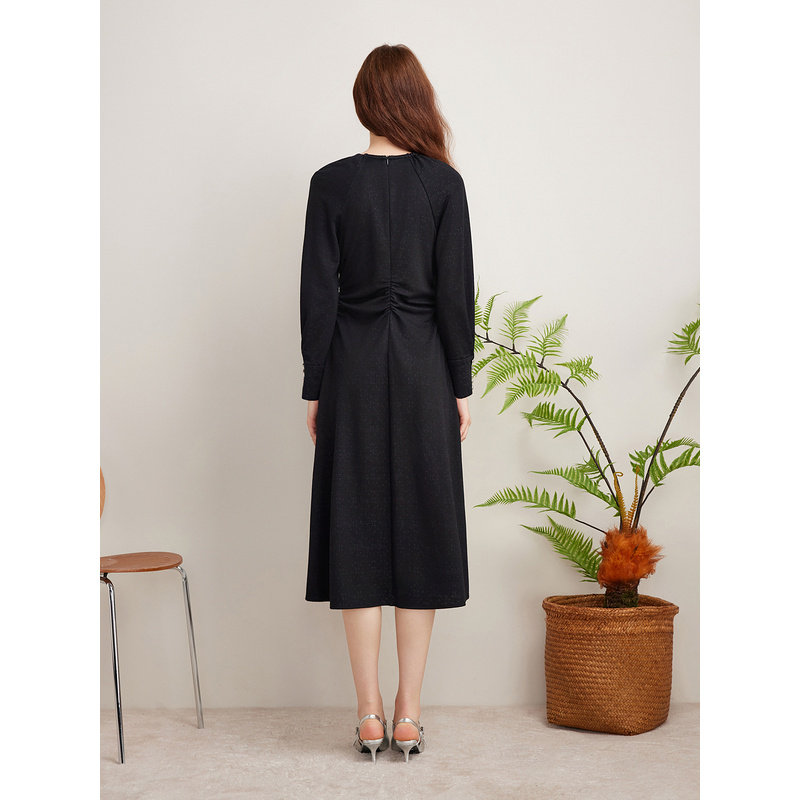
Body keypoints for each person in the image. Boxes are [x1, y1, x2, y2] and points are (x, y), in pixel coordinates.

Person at [299, 43, 475, 763]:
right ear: (415, 100)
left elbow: (318, 293)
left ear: (363, 101)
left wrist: (316, 385)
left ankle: (368, 712)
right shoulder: (443, 184)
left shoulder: (330, 183)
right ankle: (409, 713)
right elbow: (456, 294)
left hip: (353, 372)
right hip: (425, 372)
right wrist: (460, 386)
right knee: (424, 529)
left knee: (357, 530)